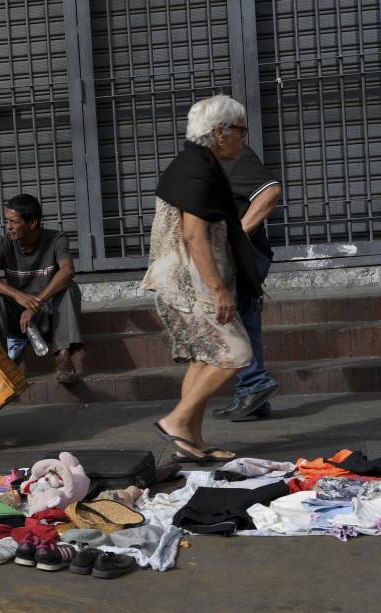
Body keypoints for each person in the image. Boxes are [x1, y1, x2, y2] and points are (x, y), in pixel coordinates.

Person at [142, 94, 261, 462]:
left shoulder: (198, 163)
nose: (244, 138)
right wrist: (218, 289)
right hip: (191, 284)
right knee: (236, 353)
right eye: (241, 130)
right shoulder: (195, 168)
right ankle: (177, 421)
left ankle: (190, 442)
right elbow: (194, 234)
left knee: (202, 357)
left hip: (186, 283)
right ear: (220, 131)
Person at [0, 194, 83, 383]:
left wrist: (35, 303)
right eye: (7, 221)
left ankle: (63, 358)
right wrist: (19, 296)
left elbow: (67, 270)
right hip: (18, 320)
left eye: (13, 222)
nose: (8, 226)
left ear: (32, 223)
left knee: (69, 288)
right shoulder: (3, 244)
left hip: (48, 316)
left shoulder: (56, 239)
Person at [212, 146, 282, 421]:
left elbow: (270, 191)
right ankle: (251, 396)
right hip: (238, 257)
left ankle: (255, 384)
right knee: (245, 319)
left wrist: (236, 236)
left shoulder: (234, 155)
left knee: (231, 319)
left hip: (241, 256)